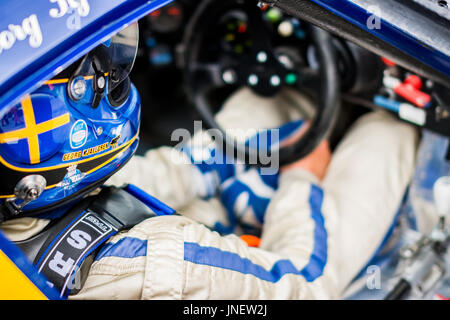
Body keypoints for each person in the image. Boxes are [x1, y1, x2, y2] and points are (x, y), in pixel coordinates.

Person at [0, 26, 419, 300]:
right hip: (197, 277)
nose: (106, 77)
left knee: (270, 101)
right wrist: (301, 179)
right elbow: (304, 287)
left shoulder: (28, 195)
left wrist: (221, 154)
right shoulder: (154, 261)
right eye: (85, 82)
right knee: (390, 130)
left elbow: (128, 177)